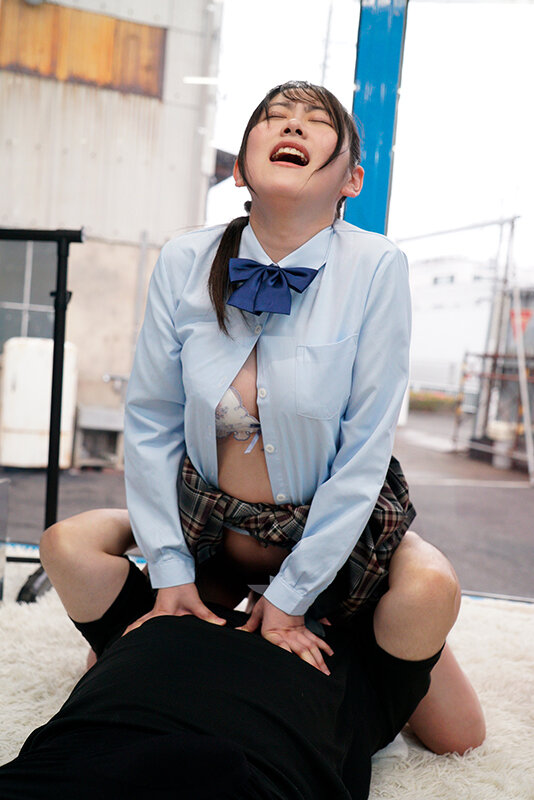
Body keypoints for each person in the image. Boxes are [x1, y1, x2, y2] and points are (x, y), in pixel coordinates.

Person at [1, 515, 484, 800]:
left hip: (242, 779)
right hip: (74, 766)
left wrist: (355, 534)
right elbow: (66, 543)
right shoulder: (160, 610)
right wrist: (184, 527)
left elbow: (431, 590)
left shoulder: (357, 658)